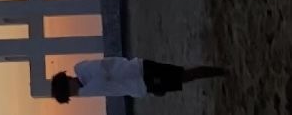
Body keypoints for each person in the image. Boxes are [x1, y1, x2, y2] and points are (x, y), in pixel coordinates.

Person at [50, 57, 227, 101]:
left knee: (185, 75)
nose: (74, 94)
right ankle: (222, 72)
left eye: (70, 92)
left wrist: (83, 91)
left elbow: (103, 77)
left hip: (141, 71)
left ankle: (224, 72)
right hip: (141, 85)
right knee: (183, 77)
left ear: (68, 82)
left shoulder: (83, 70)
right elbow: (111, 87)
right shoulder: (86, 86)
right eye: (70, 95)